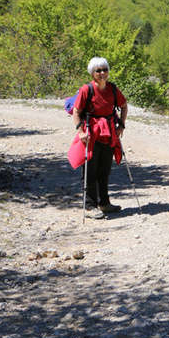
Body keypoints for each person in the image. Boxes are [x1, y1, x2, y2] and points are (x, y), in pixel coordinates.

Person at [72, 57, 128, 219]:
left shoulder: (112, 89)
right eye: (98, 70)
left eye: (105, 69)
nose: (102, 73)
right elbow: (76, 111)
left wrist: (121, 125)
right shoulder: (86, 90)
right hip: (92, 133)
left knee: (105, 169)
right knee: (90, 169)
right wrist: (81, 132)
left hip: (109, 132)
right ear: (92, 73)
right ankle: (90, 206)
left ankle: (104, 203)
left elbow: (124, 106)